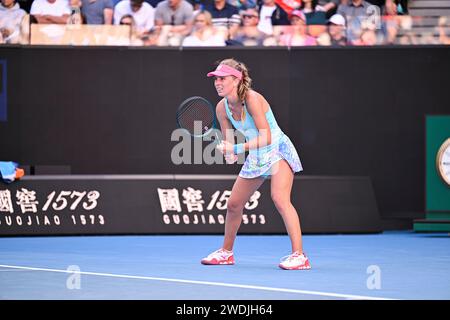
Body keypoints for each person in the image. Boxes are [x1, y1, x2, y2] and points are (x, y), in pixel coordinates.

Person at [201, 58, 311, 270]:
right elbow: (229, 142)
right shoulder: (221, 108)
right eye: (215, 79)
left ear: (236, 79)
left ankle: (300, 256)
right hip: (256, 154)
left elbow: (267, 137)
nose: (217, 83)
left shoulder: (252, 99)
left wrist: (236, 150)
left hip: (276, 148)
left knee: (280, 199)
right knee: (233, 204)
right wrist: (229, 153)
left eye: (222, 78)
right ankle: (226, 253)